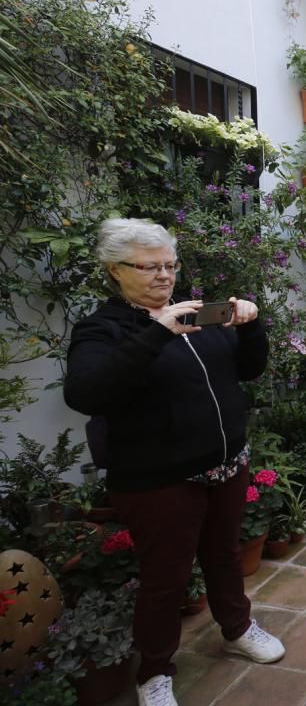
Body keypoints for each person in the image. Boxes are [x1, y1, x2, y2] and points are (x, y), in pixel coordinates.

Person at [64, 218, 285, 706]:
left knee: (225, 555)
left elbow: (248, 369)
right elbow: (86, 392)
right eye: (149, 267)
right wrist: (158, 332)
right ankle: (154, 672)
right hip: (157, 479)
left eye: (170, 264)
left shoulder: (197, 315)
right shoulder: (103, 328)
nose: (164, 275)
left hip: (224, 465)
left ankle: (238, 626)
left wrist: (251, 326)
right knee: (166, 576)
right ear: (115, 270)